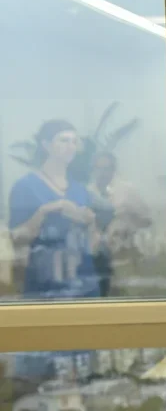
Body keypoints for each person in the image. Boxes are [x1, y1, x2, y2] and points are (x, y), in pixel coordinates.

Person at [7, 119, 101, 299]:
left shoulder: (80, 190)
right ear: (46, 145)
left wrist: (91, 222)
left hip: (84, 284)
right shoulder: (26, 187)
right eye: (63, 140)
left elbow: (93, 247)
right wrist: (47, 210)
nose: (70, 146)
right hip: (45, 285)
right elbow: (17, 239)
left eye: (74, 141)